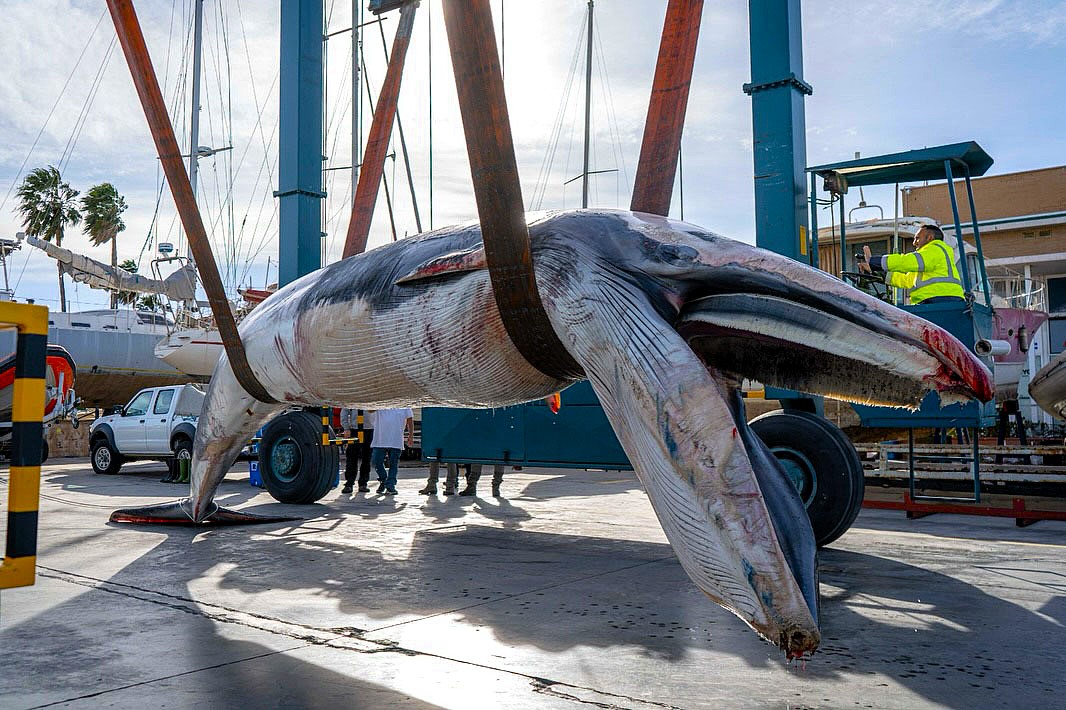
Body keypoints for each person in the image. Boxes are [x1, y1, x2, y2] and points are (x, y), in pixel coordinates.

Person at [859, 224, 965, 304]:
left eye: (917, 238)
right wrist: (877, 272)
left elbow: (906, 261)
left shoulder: (936, 248)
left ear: (930, 237)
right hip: (940, 300)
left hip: (940, 300)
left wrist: (874, 262)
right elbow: (907, 280)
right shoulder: (929, 259)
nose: (914, 243)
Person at [370, 407, 414, 495]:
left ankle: (390, 485)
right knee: (376, 461)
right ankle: (384, 479)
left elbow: (410, 419)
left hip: (395, 439)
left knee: (393, 463)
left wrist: (411, 435)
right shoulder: (382, 402)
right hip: (380, 439)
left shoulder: (404, 404)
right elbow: (370, 410)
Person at [340, 408, 374, 494]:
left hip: (370, 429)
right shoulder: (354, 396)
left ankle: (363, 483)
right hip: (354, 429)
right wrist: (346, 428)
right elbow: (344, 411)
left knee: (367, 458)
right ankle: (349, 484)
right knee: (351, 457)